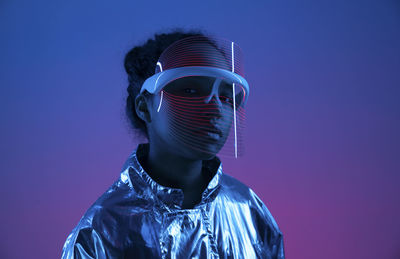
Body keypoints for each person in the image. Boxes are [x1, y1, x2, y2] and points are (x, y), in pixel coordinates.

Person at [61, 28, 285, 259]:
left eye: (226, 96)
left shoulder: (248, 210)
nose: (216, 108)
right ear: (144, 107)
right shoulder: (103, 230)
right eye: (190, 90)